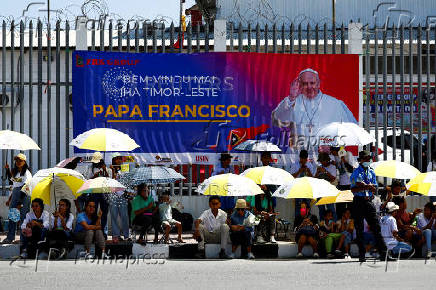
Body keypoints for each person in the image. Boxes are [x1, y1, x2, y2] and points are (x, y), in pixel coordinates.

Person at [271, 68, 357, 150]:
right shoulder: (292, 101)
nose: (309, 87)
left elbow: (352, 130)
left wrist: (334, 147)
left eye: (312, 83)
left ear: (318, 83)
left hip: (326, 158)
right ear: (300, 85)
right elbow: (277, 120)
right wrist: (291, 97)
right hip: (298, 157)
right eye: (305, 84)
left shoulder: (335, 104)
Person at [351, 150, 387, 262]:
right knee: (359, 229)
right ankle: (362, 254)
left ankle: (384, 254)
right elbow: (353, 188)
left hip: (369, 201)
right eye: (366, 158)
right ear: (361, 160)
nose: (368, 160)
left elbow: (374, 187)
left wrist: (368, 186)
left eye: (369, 158)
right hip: (358, 201)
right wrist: (366, 187)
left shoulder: (371, 171)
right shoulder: (356, 172)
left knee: (376, 227)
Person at [3, 153, 32, 244]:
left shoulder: (27, 173)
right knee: (12, 216)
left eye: (20, 160)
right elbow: (13, 181)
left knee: (23, 217)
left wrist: (20, 202)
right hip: (16, 193)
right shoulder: (16, 173)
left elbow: (26, 187)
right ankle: (10, 237)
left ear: (24, 162)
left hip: (24, 194)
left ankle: (23, 239)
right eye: (17, 160)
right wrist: (7, 169)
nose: (18, 162)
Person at [86, 152, 110, 239]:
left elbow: (109, 180)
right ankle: (94, 230)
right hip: (95, 191)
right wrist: (94, 176)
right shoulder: (91, 168)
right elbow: (88, 179)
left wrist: (104, 170)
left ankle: (103, 231)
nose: (97, 164)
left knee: (104, 212)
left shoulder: (106, 168)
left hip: (104, 192)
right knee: (93, 211)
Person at [109, 153, 130, 243]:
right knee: (114, 216)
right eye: (116, 159)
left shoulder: (125, 169)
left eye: (120, 159)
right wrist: (113, 172)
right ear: (113, 160)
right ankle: (115, 235)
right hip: (113, 195)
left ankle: (126, 235)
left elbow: (126, 182)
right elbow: (111, 182)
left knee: (124, 216)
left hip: (122, 195)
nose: (118, 161)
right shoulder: (110, 169)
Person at [330, 147, 356, 218]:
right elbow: (340, 170)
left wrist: (344, 161)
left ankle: (351, 223)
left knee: (350, 205)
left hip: (349, 184)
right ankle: (341, 223)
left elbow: (351, 170)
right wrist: (335, 164)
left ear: (336, 150)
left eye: (332, 151)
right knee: (340, 206)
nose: (332, 153)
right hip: (341, 185)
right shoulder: (335, 157)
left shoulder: (348, 154)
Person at [290, 149, 316, 220]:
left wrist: (309, 172)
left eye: (305, 159)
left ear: (307, 158)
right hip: (298, 189)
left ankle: (307, 223)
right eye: (302, 158)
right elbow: (291, 177)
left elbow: (313, 178)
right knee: (298, 207)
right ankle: (297, 224)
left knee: (307, 207)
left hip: (307, 189)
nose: (304, 160)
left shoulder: (309, 165)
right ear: (300, 157)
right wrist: (299, 171)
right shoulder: (295, 165)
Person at [315, 152, 338, 221]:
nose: (322, 162)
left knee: (331, 209)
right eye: (321, 161)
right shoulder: (319, 166)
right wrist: (317, 173)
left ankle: (334, 225)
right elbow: (314, 179)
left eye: (323, 161)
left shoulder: (332, 167)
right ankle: (322, 227)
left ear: (327, 160)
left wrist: (325, 171)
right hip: (320, 191)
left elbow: (333, 178)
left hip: (329, 191)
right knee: (321, 210)